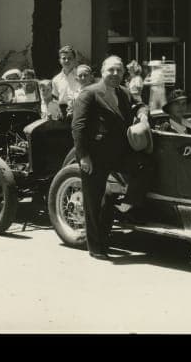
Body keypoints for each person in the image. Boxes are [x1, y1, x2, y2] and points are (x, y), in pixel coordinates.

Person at [70, 56, 152, 260]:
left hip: (121, 152)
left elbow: (140, 104)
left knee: (145, 166)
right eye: (111, 71)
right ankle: (96, 247)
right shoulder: (89, 93)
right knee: (94, 201)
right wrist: (83, 157)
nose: (115, 74)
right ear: (102, 72)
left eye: (119, 71)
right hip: (95, 155)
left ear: (124, 73)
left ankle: (127, 208)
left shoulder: (124, 92)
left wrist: (143, 114)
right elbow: (78, 127)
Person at [52, 45, 82, 117]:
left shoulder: (81, 76)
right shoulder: (56, 79)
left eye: (69, 58)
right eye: (64, 58)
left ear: (74, 60)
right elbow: (55, 99)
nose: (66, 61)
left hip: (79, 111)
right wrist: (54, 113)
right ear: (60, 60)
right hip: (62, 113)